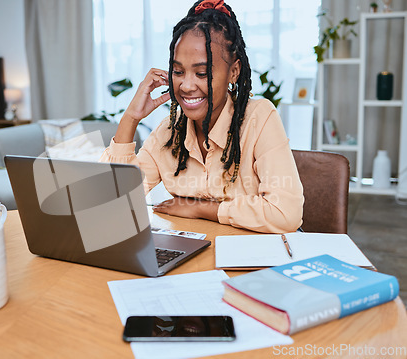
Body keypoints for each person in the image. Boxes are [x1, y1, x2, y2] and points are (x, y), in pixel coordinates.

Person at [100, 0, 304, 233]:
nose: (186, 85)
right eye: (178, 71)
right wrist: (131, 118)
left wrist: (201, 209)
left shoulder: (259, 118)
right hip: (195, 256)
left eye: (201, 73)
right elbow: (112, 203)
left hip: (251, 256)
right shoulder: (169, 131)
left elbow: (286, 214)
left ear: (233, 72)